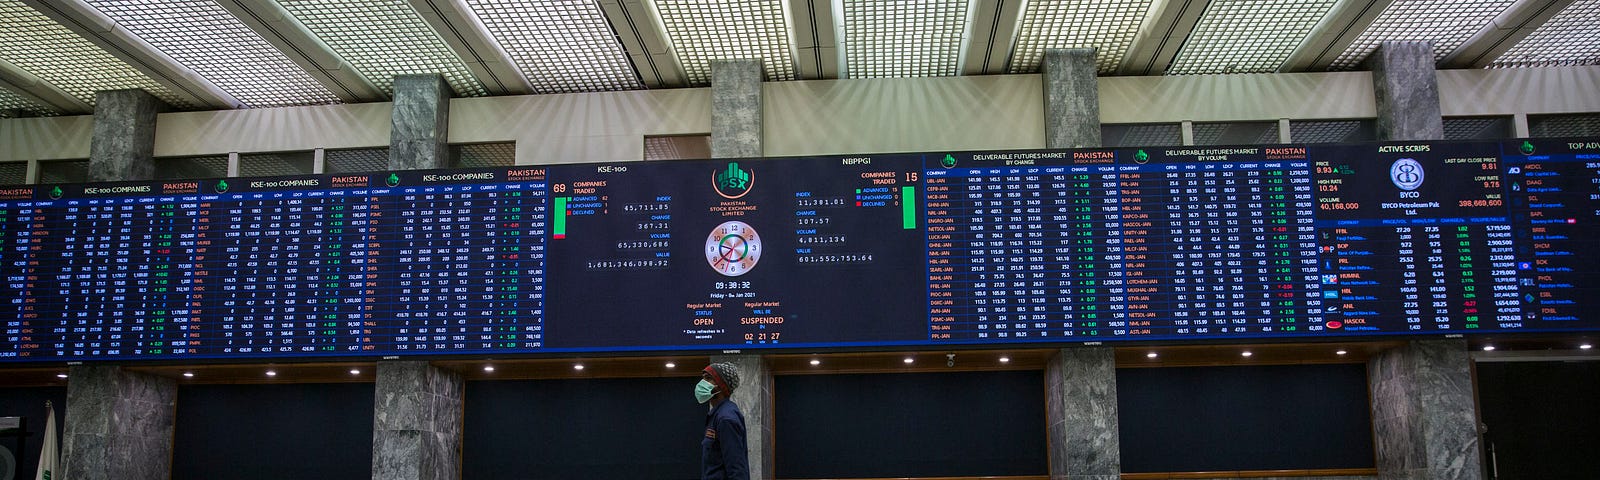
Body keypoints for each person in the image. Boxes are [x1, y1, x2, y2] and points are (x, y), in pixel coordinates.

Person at [696, 362, 749, 480]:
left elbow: (736, 468)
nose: (702, 383)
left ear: (721, 385)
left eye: (708, 378)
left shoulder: (726, 418)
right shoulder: (718, 414)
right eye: (703, 378)